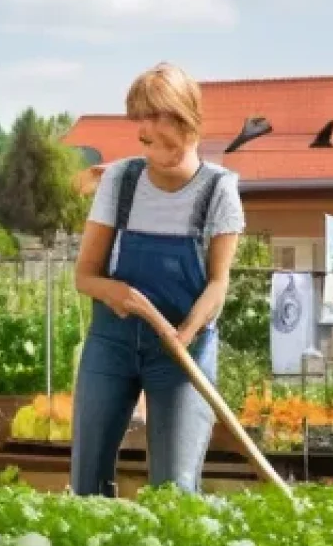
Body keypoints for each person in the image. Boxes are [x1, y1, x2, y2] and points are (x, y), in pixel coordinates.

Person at [70, 62, 245, 496]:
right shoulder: (122, 181)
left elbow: (218, 285)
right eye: (140, 123)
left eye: (156, 119)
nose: (144, 132)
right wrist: (115, 292)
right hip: (113, 341)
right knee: (87, 481)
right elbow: (84, 276)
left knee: (176, 489)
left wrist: (185, 333)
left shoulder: (218, 190)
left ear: (186, 120)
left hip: (182, 350)